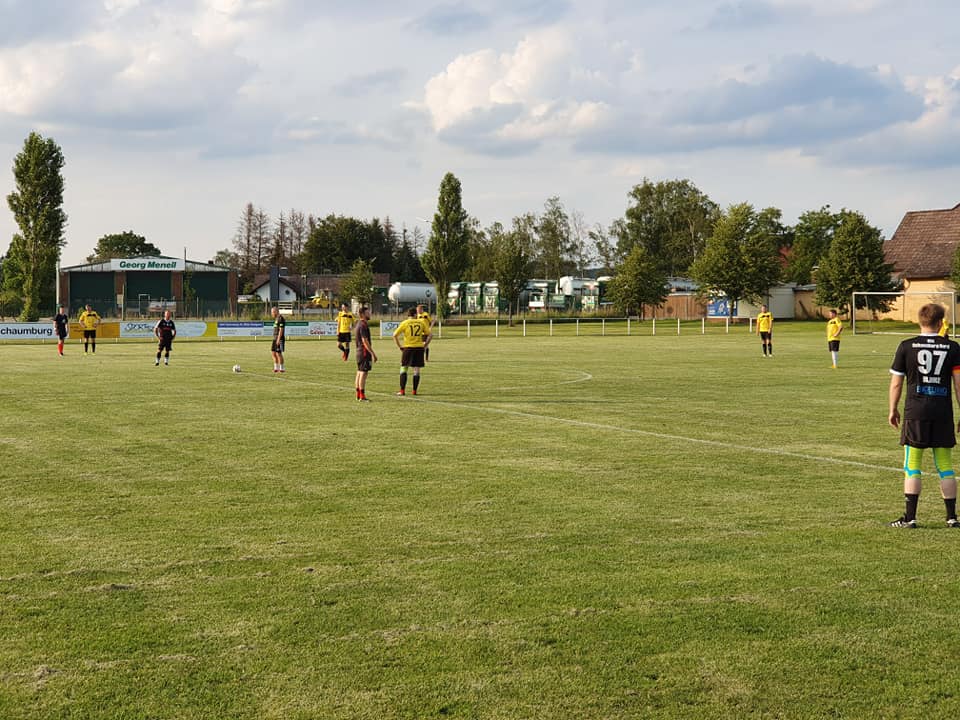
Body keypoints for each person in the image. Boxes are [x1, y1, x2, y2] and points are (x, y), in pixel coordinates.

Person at [888, 303, 960, 528]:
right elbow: (959, 384)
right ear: (940, 323)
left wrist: (893, 409)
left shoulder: (906, 346)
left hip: (916, 412)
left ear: (920, 321)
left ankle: (910, 518)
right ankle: (952, 518)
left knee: (912, 465)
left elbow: (896, 383)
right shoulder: (953, 347)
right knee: (945, 465)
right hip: (942, 412)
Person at [393, 306, 431, 396]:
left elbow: (394, 335)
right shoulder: (421, 323)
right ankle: (414, 391)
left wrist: (400, 346)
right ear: (415, 314)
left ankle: (402, 391)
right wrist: (425, 345)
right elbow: (430, 335)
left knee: (404, 368)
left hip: (408, 347)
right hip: (419, 348)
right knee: (416, 370)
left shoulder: (405, 323)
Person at [354, 306, 377, 401]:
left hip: (359, 352)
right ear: (363, 314)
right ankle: (362, 396)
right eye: (368, 312)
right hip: (364, 352)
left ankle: (358, 394)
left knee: (359, 372)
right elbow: (364, 340)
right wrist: (372, 353)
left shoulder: (358, 323)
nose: (369, 314)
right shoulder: (363, 325)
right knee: (363, 373)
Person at [271, 306, 286, 373]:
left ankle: (282, 368)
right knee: (273, 353)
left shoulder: (281, 318)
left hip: (279, 338)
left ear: (276, 312)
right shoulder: (276, 319)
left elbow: (281, 330)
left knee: (278, 353)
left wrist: (278, 339)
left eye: (272, 312)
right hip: (274, 338)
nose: (272, 314)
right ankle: (276, 368)